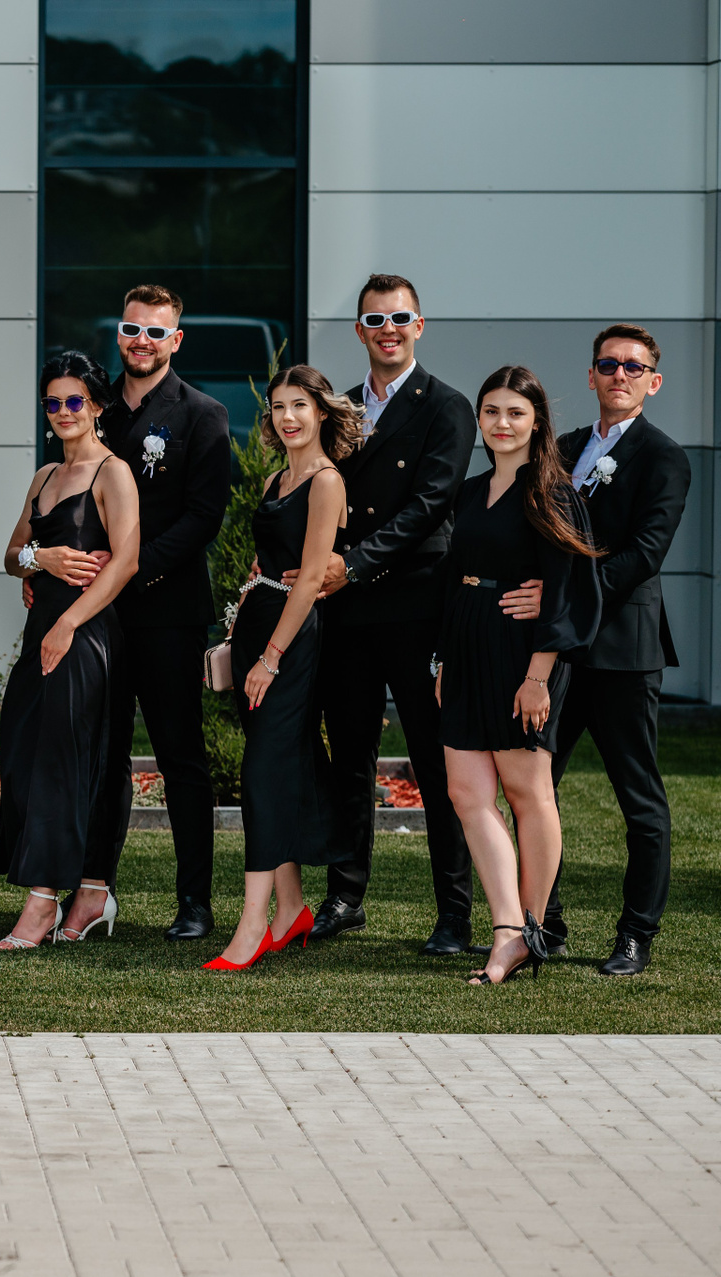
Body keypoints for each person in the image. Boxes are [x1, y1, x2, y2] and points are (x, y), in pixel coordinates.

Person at [295, 273, 532, 956]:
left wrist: (352, 563)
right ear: (360, 330)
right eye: (375, 319)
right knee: (351, 757)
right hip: (348, 610)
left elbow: (430, 506)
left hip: (419, 605)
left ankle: (454, 914)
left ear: (419, 326)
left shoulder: (447, 406)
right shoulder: (340, 407)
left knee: (438, 765)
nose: (388, 330)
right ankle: (346, 896)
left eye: (399, 318)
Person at [437, 366, 602, 985]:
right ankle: (508, 928)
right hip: (466, 645)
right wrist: (443, 660)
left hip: (523, 657)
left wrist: (537, 678)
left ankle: (529, 928)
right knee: (466, 792)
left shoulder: (554, 494)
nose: (501, 424)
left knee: (527, 793)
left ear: (537, 423)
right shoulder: (470, 490)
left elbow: (565, 591)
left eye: (515, 413)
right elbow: (453, 578)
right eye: (491, 412)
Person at [78, 284, 229, 941]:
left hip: (167, 610)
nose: (141, 342)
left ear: (176, 340)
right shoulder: (91, 406)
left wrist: (129, 568)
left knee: (180, 757)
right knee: (101, 754)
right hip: (98, 614)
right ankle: (93, 892)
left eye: (155, 332)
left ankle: (194, 901)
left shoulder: (203, 414)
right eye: (131, 329)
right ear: (119, 333)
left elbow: (204, 516)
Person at [543, 324, 692, 976]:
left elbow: (643, 555)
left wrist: (564, 596)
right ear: (592, 375)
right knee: (535, 788)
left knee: (639, 799)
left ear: (653, 382)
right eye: (608, 364)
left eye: (634, 367)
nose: (620, 375)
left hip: (623, 650)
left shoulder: (664, 458)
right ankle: (543, 920)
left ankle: (636, 934)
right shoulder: (563, 448)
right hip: (557, 653)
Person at [206, 366, 354, 970]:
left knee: (262, 772)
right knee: (275, 766)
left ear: (321, 412)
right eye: (277, 406)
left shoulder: (327, 481)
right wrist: (248, 608)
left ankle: (252, 926)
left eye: (299, 405)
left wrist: (271, 657)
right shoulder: (274, 479)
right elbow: (269, 560)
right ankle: (291, 908)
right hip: (257, 623)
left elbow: (313, 578)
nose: (286, 417)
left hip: (289, 641)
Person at [0, 352, 139, 949]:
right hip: (43, 630)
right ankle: (90, 893)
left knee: (64, 760)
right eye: (53, 402)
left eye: (75, 400)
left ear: (97, 406)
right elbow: (10, 556)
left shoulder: (113, 473)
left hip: (86, 633)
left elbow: (125, 561)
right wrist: (41, 559)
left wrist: (69, 623)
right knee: (23, 750)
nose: (63, 411)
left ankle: (45, 901)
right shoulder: (45, 476)